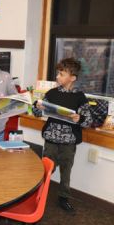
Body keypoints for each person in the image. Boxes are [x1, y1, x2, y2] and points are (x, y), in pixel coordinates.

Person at [33, 57, 92, 214]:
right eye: (58, 73)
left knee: (66, 170)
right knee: (46, 168)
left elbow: (88, 121)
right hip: (51, 138)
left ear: (72, 78)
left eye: (62, 74)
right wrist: (37, 106)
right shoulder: (51, 93)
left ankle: (63, 198)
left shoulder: (80, 97)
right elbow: (38, 113)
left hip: (69, 141)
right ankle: (37, 193)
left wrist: (79, 118)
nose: (58, 76)